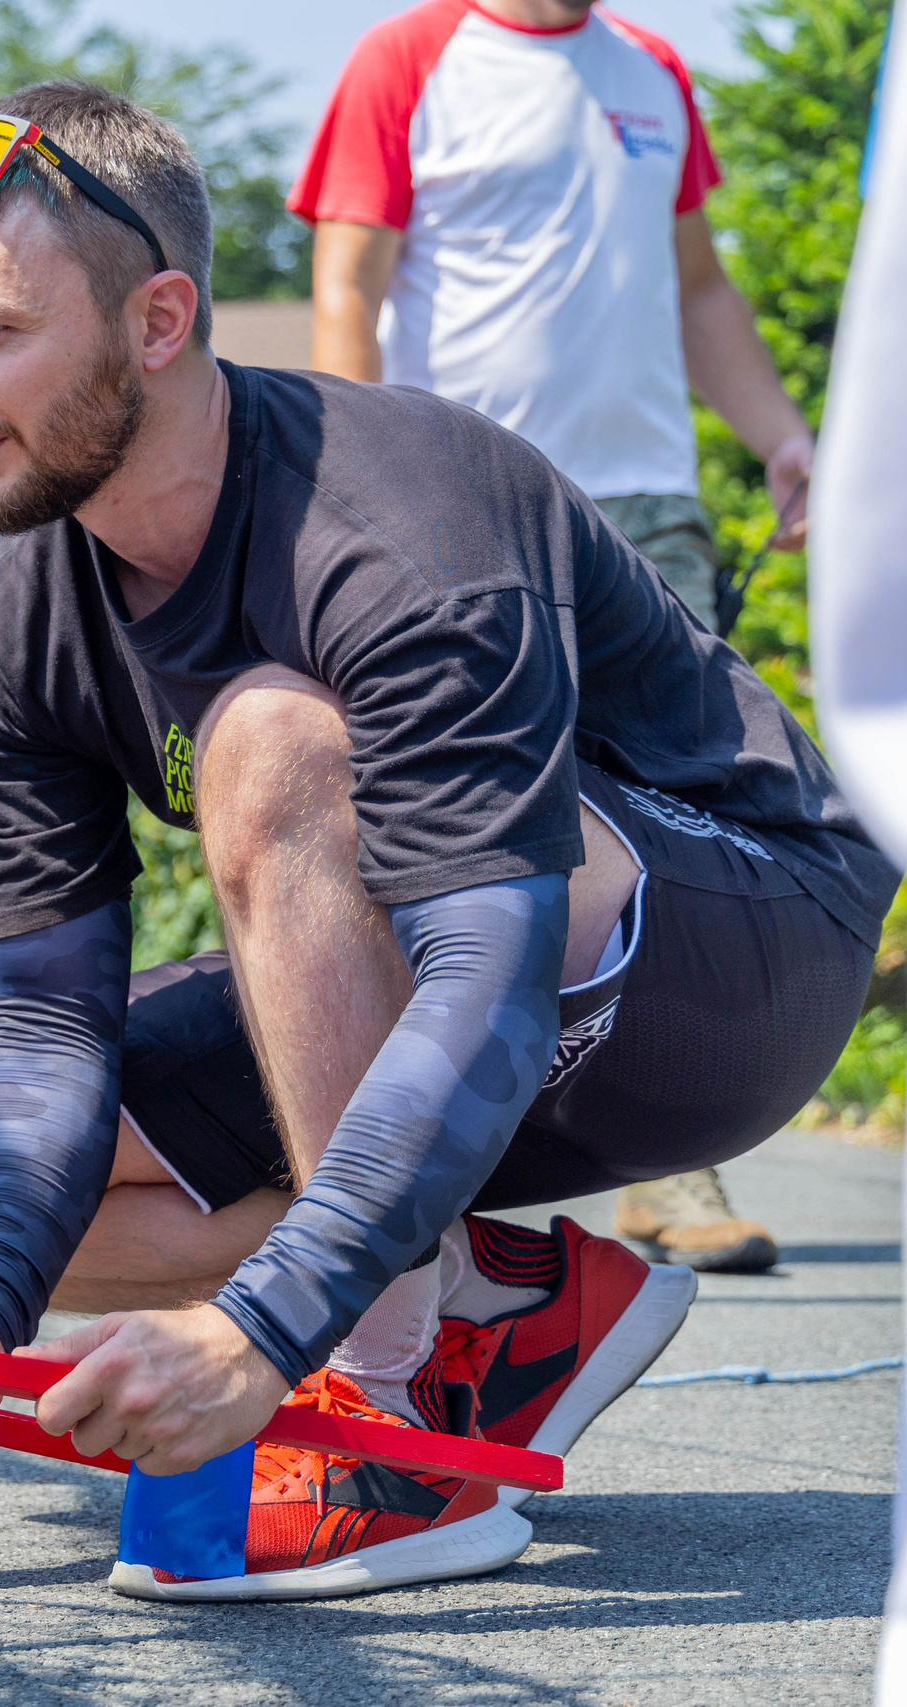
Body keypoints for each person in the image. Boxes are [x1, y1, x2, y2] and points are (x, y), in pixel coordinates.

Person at [0, 78, 895, 1599]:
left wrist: (267, 1329)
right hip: (496, 955)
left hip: (745, 935)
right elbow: (48, 1014)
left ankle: (387, 1414)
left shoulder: (394, 519)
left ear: (160, 320)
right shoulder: (14, 629)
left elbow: (488, 979)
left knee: (269, 739)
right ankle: (496, 1305)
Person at [291, 0, 817, 1273]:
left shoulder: (652, 70)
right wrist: (357, 487)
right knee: (471, 824)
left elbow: (696, 287)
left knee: (668, 826)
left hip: (649, 505)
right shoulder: (407, 61)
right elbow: (345, 291)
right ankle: (402, 1152)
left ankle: (669, 1169)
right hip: (466, 499)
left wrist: (784, 440)